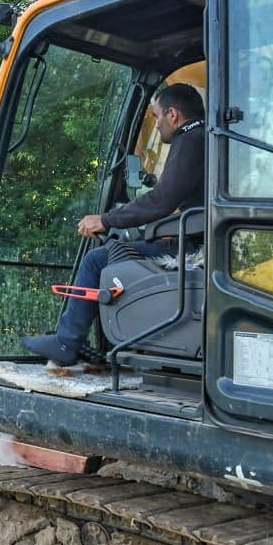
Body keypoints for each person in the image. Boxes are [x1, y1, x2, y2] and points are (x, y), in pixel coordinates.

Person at [21, 83, 206, 366]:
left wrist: (106, 219)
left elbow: (161, 200)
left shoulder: (190, 140)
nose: (156, 126)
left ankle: (66, 341)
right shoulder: (207, 137)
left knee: (97, 260)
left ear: (172, 114)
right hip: (198, 241)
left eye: (156, 117)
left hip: (195, 252)